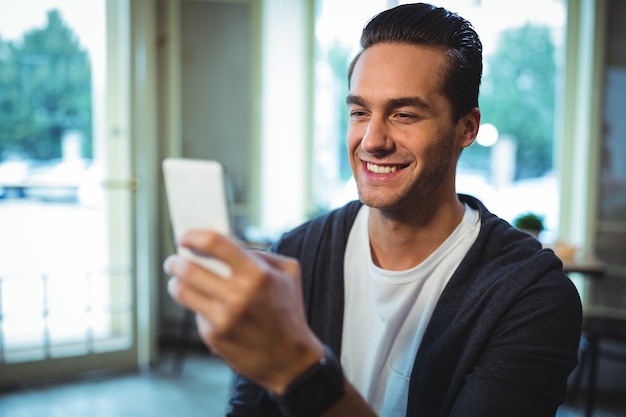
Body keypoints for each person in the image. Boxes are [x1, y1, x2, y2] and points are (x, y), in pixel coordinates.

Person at [164, 3, 582, 416]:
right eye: (360, 112)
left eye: (404, 114)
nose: (372, 140)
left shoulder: (530, 296)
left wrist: (299, 370)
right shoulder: (297, 253)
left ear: (466, 128)